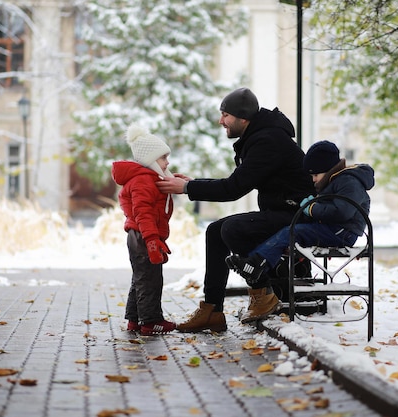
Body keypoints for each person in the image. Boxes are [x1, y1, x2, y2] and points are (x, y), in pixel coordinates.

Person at [156, 87, 314, 330]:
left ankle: (263, 294)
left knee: (232, 228)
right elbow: (235, 182)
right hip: (282, 213)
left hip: (297, 217)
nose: (221, 121)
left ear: (243, 117)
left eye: (225, 115)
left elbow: (233, 189)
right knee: (215, 231)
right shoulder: (261, 137)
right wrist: (190, 185)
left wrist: (187, 188)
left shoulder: (268, 141)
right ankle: (212, 310)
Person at [225, 140, 375, 284]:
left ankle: (256, 264)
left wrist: (312, 208)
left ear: (328, 170)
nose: (314, 180)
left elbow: (342, 212)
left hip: (343, 232)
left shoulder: (349, 181)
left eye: (315, 175)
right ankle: (257, 263)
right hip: (336, 229)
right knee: (291, 232)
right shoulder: (337, 181)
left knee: (291, 232)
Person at [111, 124, 176, 336]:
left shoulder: (148, 178)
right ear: (150, 160)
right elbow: (143, 212)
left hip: (140, 235)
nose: (167, 162)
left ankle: (134, 320)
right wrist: (151, 239)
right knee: (151, 279)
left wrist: (180, 180)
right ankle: (151, 321)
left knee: (141, 278)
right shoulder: (143, 181)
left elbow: (164, 184)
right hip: (143, 236)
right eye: (163, 158)